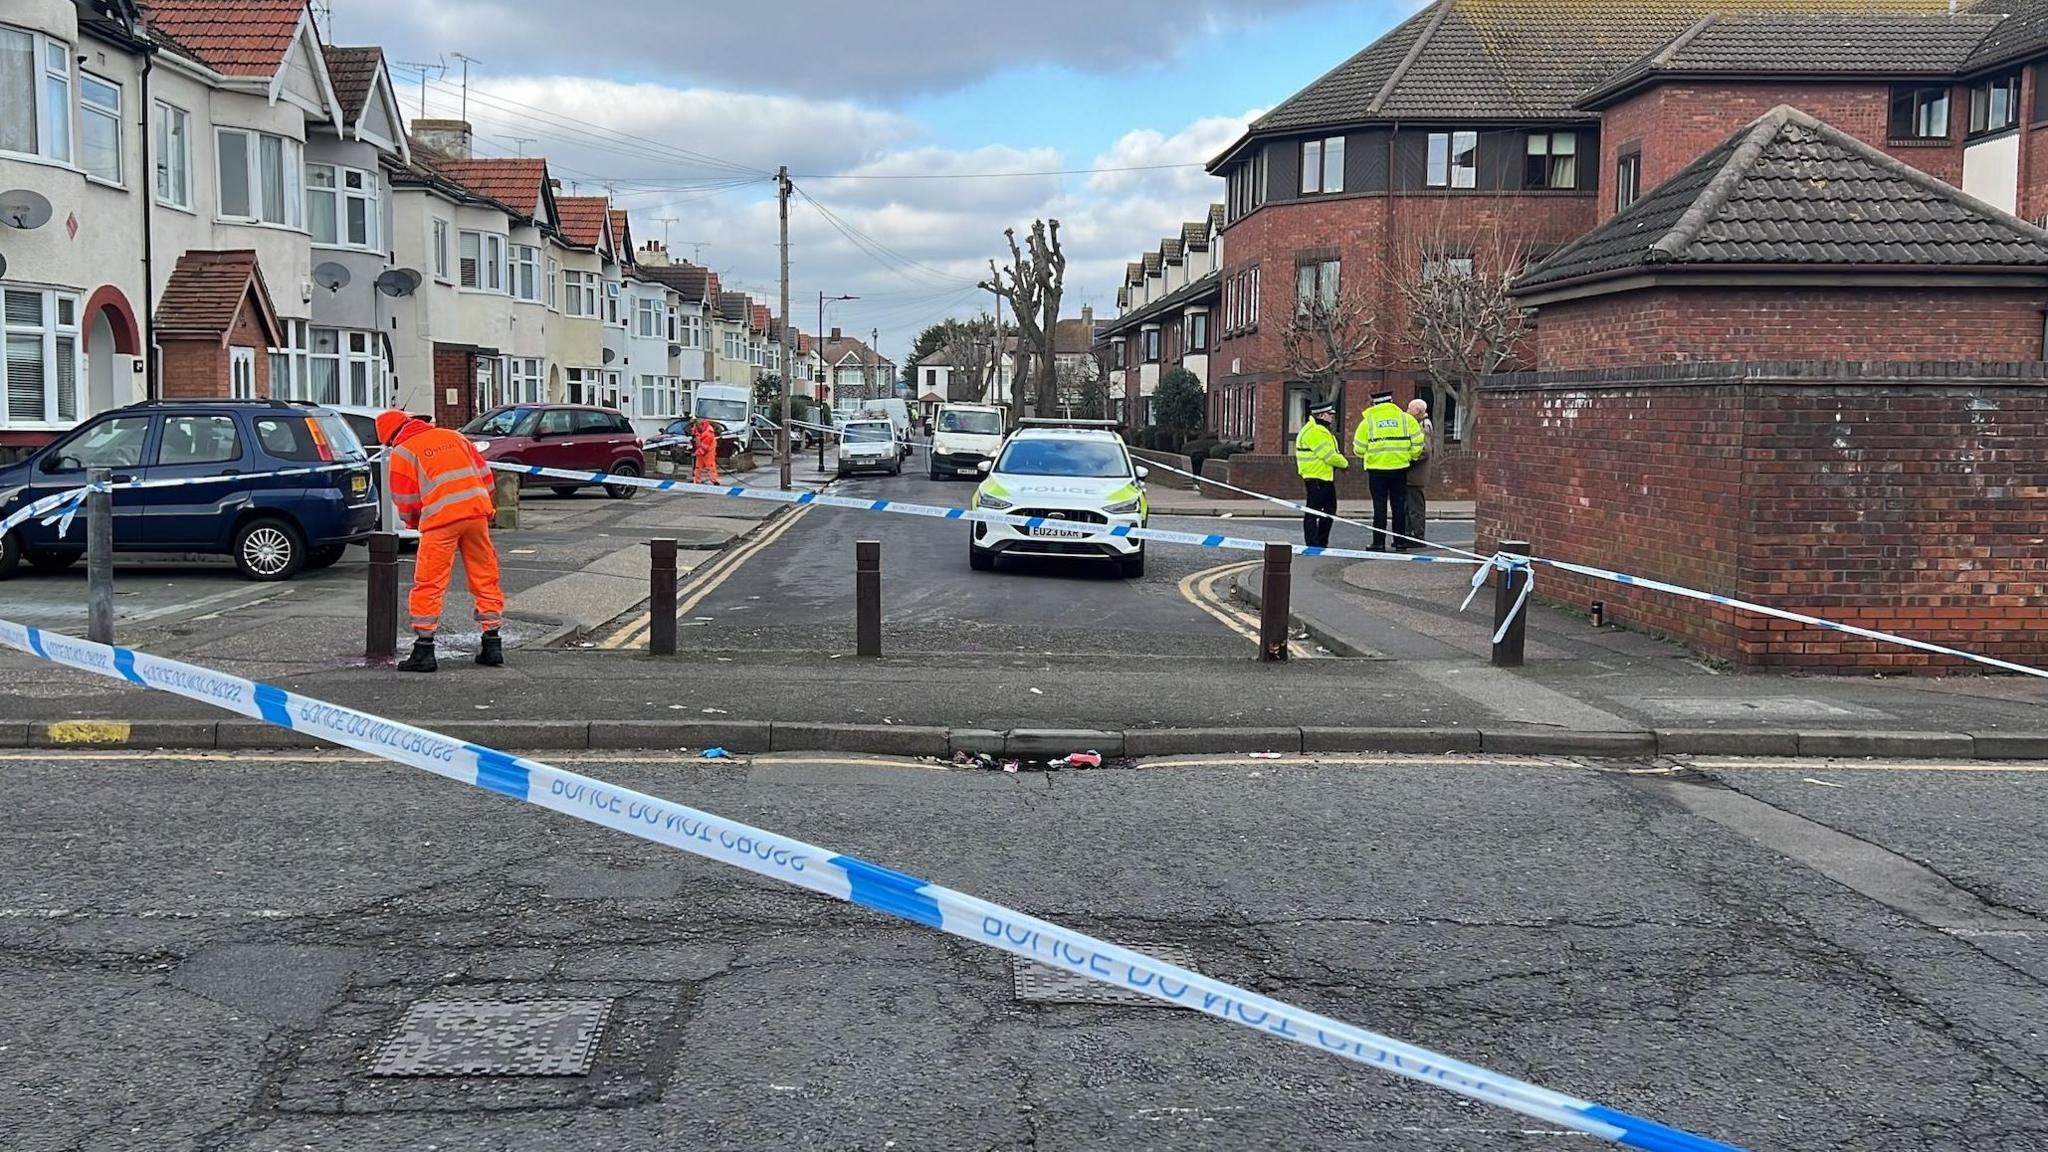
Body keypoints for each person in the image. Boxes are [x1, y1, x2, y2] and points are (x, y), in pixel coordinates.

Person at [377, 410, 505, 674]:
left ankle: (424, 649)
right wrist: (485, 507)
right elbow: (486, 476)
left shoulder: (403, 452)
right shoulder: (453, 437)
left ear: (390, 437)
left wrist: (414, 523)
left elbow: (405, 499)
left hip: (441, 520)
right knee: (485, 575)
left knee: (430, 582)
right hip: (476, 514)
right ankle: (492, 642)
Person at [1352, 389, 1426, 552]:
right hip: (1399, 469)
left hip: (1376, 470)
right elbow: (1418, 444)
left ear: (1374, 403)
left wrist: (1371, 455)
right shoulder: (1406, 420)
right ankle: (1400, 542)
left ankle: (1378, 543)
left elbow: (1358, 448)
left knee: (1379, 507)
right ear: (1391, 402)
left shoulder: (1368, 422)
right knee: (1399, 507)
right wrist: (1409, 457)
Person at [1291, 399, 1348, 548]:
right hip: (1317, 477)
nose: (1332, 417)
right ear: (1321, 415)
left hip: (1322, 476)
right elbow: (1329, 455)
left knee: (1327, 510)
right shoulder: (1315, 432)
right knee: (1315, 511)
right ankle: (1314, 543)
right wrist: (1344, 463)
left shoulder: (1319, 430)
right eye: (1330, 414)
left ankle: (1320, 542)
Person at [1405, 398, 1435, 546]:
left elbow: (1425, 450)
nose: (1407, 412)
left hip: (1416, 474)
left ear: (1417, 411)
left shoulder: (1423, 426)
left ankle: (1417, 536)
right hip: (1415, 475)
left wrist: (1409, 461)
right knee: (1410, 506)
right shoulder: (1419, 424)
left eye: (1409, 409)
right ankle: (1410, 534)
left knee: (1415, 506)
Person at [691, 416, 720, 484]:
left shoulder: (709, 433)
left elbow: (705, 446)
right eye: (696, 426)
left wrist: (696, 453)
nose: (698, 428)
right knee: (698, 467)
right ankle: (697, 480)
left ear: (702, 425)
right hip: (700, 449)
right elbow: (694, 432)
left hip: (709, 451)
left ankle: (715, 480)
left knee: (710, 466)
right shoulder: (697, 428)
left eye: (698, 426)